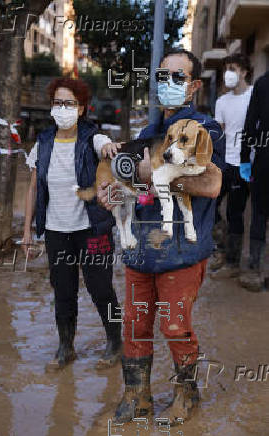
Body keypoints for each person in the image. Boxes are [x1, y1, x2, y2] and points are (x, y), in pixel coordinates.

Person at [98, 49, 225, 425]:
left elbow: (212, 183)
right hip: (140, 252)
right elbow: (137, 190)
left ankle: (186, 393)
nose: (166, 84)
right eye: (160, 76)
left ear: (194, 86)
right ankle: (137, 396)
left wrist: (155, 172)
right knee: (135, 325)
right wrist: (114, 194)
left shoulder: (204, 128)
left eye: (176, 77)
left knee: (174, 326)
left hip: (181, 253)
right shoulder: (147, 133)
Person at [22, 77, 123, 370]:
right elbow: (33, 189)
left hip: (91, 230)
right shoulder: (42, 144)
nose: (62, 108)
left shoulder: (92, 138)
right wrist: (27, 231)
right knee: (63, 291)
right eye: (57, 102)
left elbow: (105, 146)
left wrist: (110, 148)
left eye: (69, 103)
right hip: (56, 231)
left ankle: (115, 341)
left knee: (101, 289)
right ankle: (66, 347)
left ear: (81, 109)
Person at [212, 54, 253, 276]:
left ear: (244, 72)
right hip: (224, 163)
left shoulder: (254, 96)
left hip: (244, 164)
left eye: (234, 68)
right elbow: (219, 133)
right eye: (227, 68)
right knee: (209, 205)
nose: (229, 72)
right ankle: (221, 247)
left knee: (235, 212)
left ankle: (233, 263)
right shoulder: (222, 101)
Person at [239, 70, 269, 292]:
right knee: (258, 213)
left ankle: (254, 270)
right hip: (263, 161)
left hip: (263, 160)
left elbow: (250, 124)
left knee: (259, 213)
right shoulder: (262, 83)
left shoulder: (262, 83)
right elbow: (250, 122)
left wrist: (244, 158)